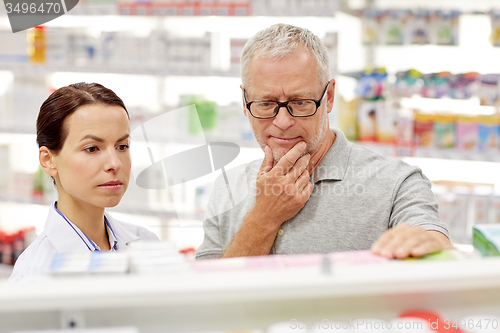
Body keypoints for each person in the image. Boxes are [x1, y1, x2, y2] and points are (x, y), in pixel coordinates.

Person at [196, 24, 451, 260]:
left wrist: (429, 242)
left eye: (299, 102)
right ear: (244, 102)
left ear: (328, 97)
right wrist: (264, 217)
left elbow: (432, 237)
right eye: (266, 104)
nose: (282, 121)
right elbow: (205, 297)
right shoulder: (227, 187)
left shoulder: (397, 182)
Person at [9, 83, 159, 282]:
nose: (114, 163)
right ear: (48, 160)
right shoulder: (34, 277)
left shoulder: (147, 244)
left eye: (122, 146)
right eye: (92, 149)